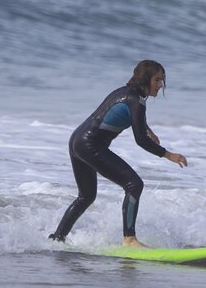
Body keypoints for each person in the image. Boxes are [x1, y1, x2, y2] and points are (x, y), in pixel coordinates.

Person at [49, 60, 187, 248]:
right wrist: (168, 155)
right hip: (91, 145)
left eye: (162, 80)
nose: (160, 85)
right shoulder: (137, 101)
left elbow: (132, 116)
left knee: (86, 197)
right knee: (134, 184)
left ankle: (57, 239)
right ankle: (129, 239)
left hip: (77, 141)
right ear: (146, 79)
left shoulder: (124, 92)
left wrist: (148, 129)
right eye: (157, 80)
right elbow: (140, 140)